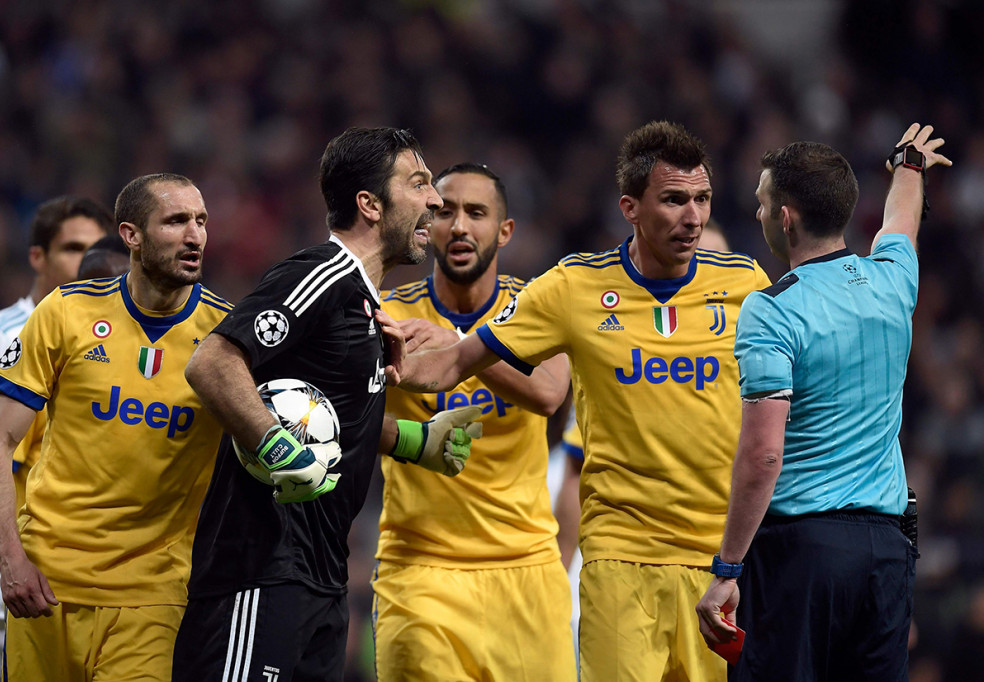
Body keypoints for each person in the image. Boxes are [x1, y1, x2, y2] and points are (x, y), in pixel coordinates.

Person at [378, 120, 773, 681]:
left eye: (702, 199)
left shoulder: (745, 284)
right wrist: (381, 368)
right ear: (630, 208)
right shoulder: (574, 288)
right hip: (617, 557)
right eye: (674, 200)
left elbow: (780, 420)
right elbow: (454, 366)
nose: (693, 218)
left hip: (716, 563)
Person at [172, 127, 484, 682]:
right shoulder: (322, 273)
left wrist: (415, 440)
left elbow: (327, 414)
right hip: (260, 570)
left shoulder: (365, 304)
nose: (436, 201)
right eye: (418, 184)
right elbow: (213, 363)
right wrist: (275, 446)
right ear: (370, 204)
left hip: (321, 576)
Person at [695, 123, 951, 681]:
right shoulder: (893, 281)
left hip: (802, 556)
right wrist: (909, 167)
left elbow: (764, 454)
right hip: (887, 554)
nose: (758, 212)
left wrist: (728, 567)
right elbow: (901, 222)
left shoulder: (772, 310)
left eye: (763, 202)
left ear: (785, 218)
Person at [0, 173, 231, 681]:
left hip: (153, 594)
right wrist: (11, 562)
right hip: (44, 583)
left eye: (201, 221)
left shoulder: (225, 335)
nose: (195, 236)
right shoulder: (66, 312)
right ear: (131, 235)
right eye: (176, 221)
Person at [372, 162, 575, 681]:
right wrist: (405, 439)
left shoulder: (538, 307)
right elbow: (341, 413)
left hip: (527, 571)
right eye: (446, 213)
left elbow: (549, 394)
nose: (460, 226)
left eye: (477, 213)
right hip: (420, 569)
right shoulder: (387, 316)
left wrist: (461, 347)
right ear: (427, 226)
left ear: (504, 231)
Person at [0, 196, 111, 682]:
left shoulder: (99, 341)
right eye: (73, 249)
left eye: (96, 250)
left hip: (55, 581)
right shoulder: (0, 341)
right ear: (37, 257)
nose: (87, 263)